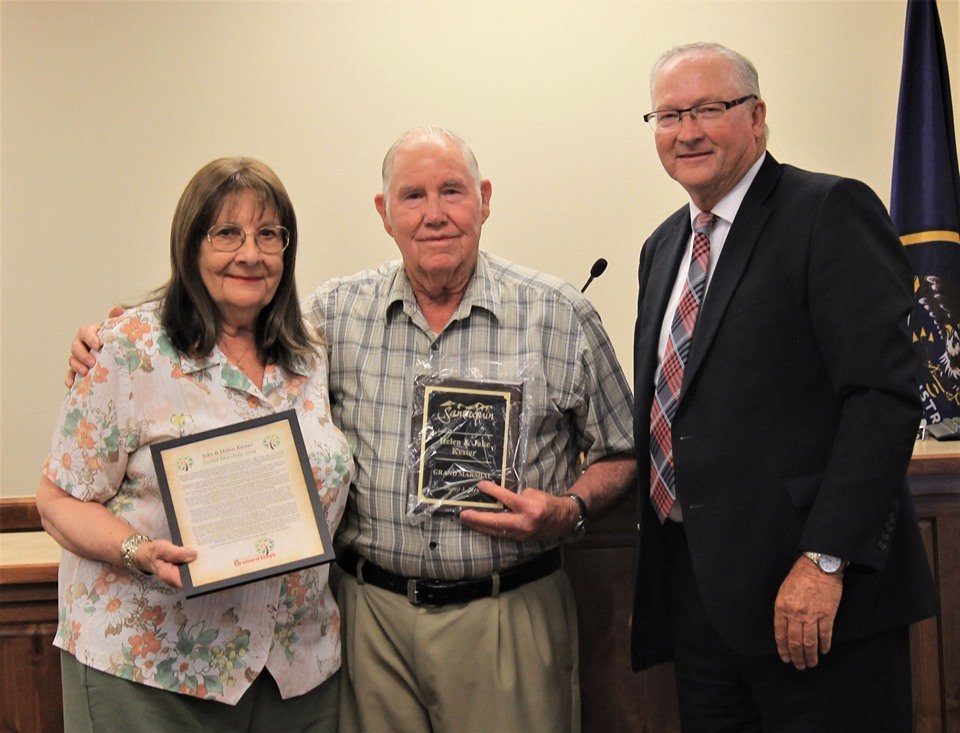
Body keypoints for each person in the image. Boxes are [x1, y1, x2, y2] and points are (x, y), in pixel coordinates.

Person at [69, 127, 636, 732]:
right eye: (412, 196)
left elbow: (623, 450)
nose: (435, 214)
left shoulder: (559, 314)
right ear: (384, 213)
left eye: (453, 191)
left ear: (485, 199)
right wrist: (118, 337)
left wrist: (571, 507)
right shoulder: (330, 317)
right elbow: (230, 317)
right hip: (370, 622)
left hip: (506, 613)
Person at [631, 42, 938, 731]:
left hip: (816, 602)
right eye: (669, 114)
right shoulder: (662, 249)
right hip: (701, 606)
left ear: (757, 116)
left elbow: (883, 396)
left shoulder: (827, 211)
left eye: (709, 109)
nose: (687, 132)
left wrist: (824, 559)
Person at [40, 157, 351, 732]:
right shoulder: (129, 349)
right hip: (152, 671)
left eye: (268, 234)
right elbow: (58, 501)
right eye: (227, 233)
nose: (250, 254)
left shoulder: (309, 354)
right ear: (190, 246)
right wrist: (138, 551)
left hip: (293, 672)